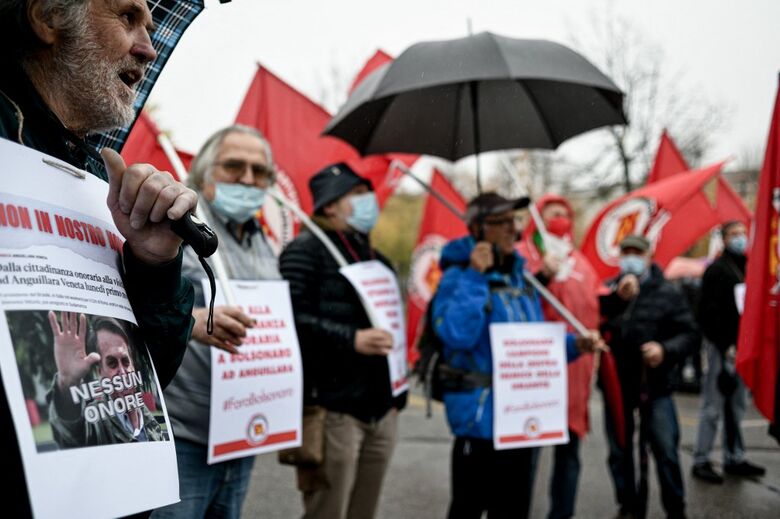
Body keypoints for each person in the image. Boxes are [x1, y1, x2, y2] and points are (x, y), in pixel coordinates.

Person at [0, 1, 197, 515]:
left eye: (150, 28)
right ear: (46, 17)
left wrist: (155, 265)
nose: (148, 48)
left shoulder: (98, 182)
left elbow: (150, 377)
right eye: (127, 18)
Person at [433, 192, 604, 519]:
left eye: (516, 221)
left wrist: (575, 345)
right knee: (468, 508)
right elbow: (456, 334)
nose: (515, 230)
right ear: (478, 228)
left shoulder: (520, 279)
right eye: (503, 222)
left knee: (512, 509)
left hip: (519, 419)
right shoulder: (457, 278)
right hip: (480, 420)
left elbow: (533, 343)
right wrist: (474, 277)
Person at [151, 125, 280, 519]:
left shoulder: (263, 240)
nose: (247, 179)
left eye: (259, 172)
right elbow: (136, 305)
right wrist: (194, 318)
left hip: (241, 436)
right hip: (183, 438)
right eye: (234, 166)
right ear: (205, 176)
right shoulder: (177, 229)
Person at [279, 163, 407, 519]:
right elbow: (289, 320)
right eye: (359, 194)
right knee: (327, 510)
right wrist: (352, 339)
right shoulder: (304, 251)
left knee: (363, 510)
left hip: (381, 409)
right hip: (334, 410)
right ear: (331, 205)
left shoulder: (377, 259)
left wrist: (398, 395)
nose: (370, 201)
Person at [600, 235, 698, 519]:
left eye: (637, 252)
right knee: (619, 451)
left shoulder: (667, 291)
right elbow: (597, 322)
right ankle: (628, 505)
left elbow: (690, 334)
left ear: (648, 255)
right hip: (616, 384)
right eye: (626, 252)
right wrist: (618, 299)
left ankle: (675, 509)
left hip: (655, 385)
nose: (631, 257)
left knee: (665, 449)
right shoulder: (608, 289)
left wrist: (664, 350)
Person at [517, 195, 602, 519]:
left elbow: (598, 304)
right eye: (554, 213)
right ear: (538, 218)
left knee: (569, 455)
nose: (562, 219)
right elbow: (513, 304)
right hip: (536, 374)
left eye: (567, 214)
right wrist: (542, 275)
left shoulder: (579, 262)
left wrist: (620, 297)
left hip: (574, 377)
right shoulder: (524, 256)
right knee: (527, 456)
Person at [692, 220, 765, 483]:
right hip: (721, 348)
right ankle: (701, 458)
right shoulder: (716, 271)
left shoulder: (750, 268)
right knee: (713, 406)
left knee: (737, 405)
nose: (740, 238)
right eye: (734, 234)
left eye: (742, 233)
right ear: (723, 239)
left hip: (742, 348)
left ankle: (735, 456)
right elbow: (706, 314)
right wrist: (724, 347)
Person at [47, 312, 164, 447]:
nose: (122, 372)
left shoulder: (149, 420)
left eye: (126, 361)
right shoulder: (94, 421)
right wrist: (67, 383)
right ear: (100, 372)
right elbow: (72, 436)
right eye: (112, 363)